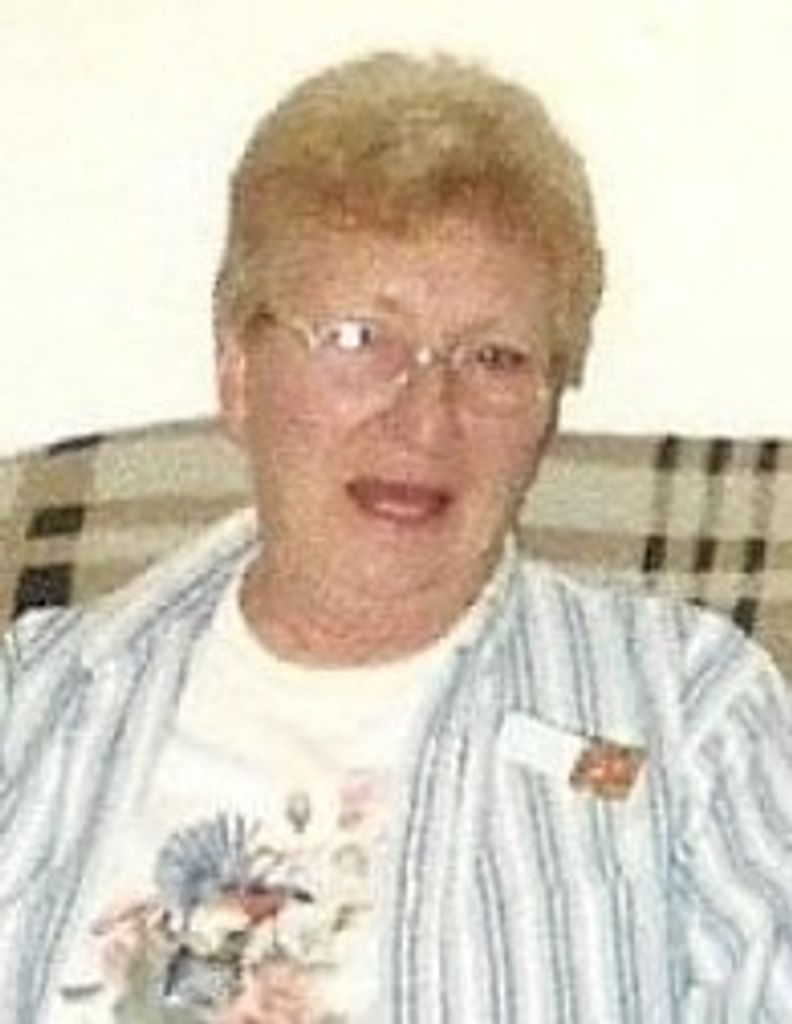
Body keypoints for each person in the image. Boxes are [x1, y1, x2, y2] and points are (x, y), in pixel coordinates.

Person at [1, 50, 790, 1024]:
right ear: (238, 370)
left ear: (548, 400)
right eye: (359, 339)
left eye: (494, 357)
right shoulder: (33, 699)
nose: (425, 420)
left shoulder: (687, 706)